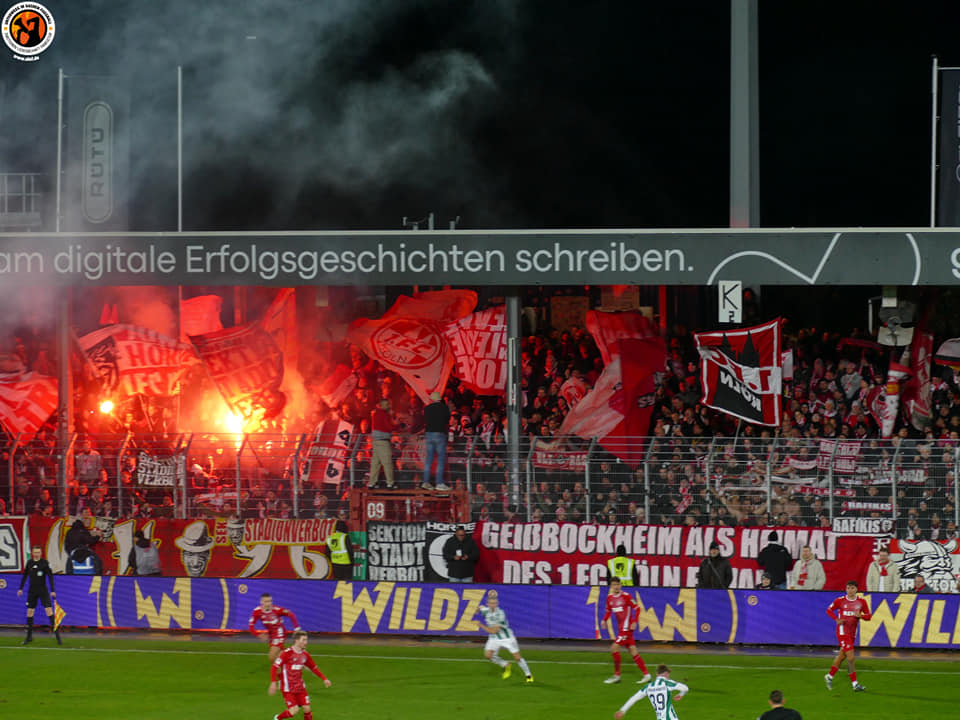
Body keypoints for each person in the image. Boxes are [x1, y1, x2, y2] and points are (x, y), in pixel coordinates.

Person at [268, 630, 331, 720]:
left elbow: (314, 668)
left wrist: (324, 679)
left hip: (299, 687)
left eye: (306, 640)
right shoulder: (286, 653)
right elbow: (274, 667)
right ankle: (277, 718)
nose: (306, 642)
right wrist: (273, 683)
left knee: (307, 708)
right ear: (297, 641)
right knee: (294, 711)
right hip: (288, 688)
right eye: (304, 640)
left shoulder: (305, 655)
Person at [477, 589, 533, 683]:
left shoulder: (500, 613)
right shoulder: (485, 610)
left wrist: (480, 625)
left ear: (497, 603)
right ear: (488, 604)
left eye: (495, 603)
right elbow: (480, 609)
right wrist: (477, 609)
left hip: (507, 638)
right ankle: (505, 665)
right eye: (491, 603)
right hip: (494, 638)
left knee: (517, 657)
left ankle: (528, 675)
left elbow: (494, 631)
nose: (493, 605)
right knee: (488, 655)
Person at [825, 580, 872, 692]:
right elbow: (829, 610)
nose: (850, 590)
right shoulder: (840, 600)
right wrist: (836, 619)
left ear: (856, 589)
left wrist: (860, 616)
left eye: (852, 588)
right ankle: (855, 684)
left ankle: (829, 676)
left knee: (842, 657)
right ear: (846, 589)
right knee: (851, 657)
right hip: (842, 632)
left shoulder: (861, 602)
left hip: (852, 633)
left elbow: (869, 616)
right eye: (848, 588)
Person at [602, 578, 651, 685]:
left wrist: (634, 621)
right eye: (614, 585)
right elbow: (608, 611)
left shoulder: (626, 596)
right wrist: (604, 620)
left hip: (626, 629)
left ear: (621, 585)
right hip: (621, 629)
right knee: (633, 650)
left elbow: (637, 608)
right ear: (611, 586)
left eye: (617, 584)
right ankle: (647, 675)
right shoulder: (609, 598)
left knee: (614, 647)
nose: (616, 586)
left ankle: (617, 676)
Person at [17, 545, 61, 645]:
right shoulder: (29, 563)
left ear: (41, 553)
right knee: (30, 612)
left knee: (49, 611)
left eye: (38, 552)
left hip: (43, 590)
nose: (37, 554)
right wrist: (21, 588)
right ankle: (29, 637)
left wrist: (52, 590)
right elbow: (25, 576)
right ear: (32, 553)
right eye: (35, 552)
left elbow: (50, 577)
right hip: (32, 591)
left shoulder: (44, 563)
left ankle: (58, 637)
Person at [613, 664, 687, 720]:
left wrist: (622, 711)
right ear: (666, 673)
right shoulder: (667, 683)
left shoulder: (648, 687)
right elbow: (685, 688)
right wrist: (681, 694)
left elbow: (634, 698)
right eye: (668, 674)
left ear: (657, 674)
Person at [250, 592, 302, 663]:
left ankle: (287, 665)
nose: (269, 603)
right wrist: (258, 635)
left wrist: (297, 629)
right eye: (266, 601)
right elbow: (251, 627)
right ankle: (294, 658)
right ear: (261, 602)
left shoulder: (277, 610)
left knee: (272, 657)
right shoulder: (257, 611)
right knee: (279, 656)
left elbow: (291, 614)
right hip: (271, 634)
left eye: (270, 601)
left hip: (279, 633)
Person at [423, 390, 451, 490]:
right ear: (439, 399)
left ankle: (425, 482)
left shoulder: (427, 408)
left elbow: (425, 419)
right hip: (439, 434)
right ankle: (439, 483)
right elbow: (447, 419)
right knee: (440, 459)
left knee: (429, 459)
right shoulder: (444, 407)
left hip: (429, 434)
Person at [368, 398, 396, 488]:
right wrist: (398, 425)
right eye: (387, 404)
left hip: (375, 442)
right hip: (383, 442)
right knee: (387, 462)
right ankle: (390, 483)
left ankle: (372, 483)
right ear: (383, 405)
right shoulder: (385, 414)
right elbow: (389, 427)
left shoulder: (375, 414)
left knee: (375, 463)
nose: (389, 406)